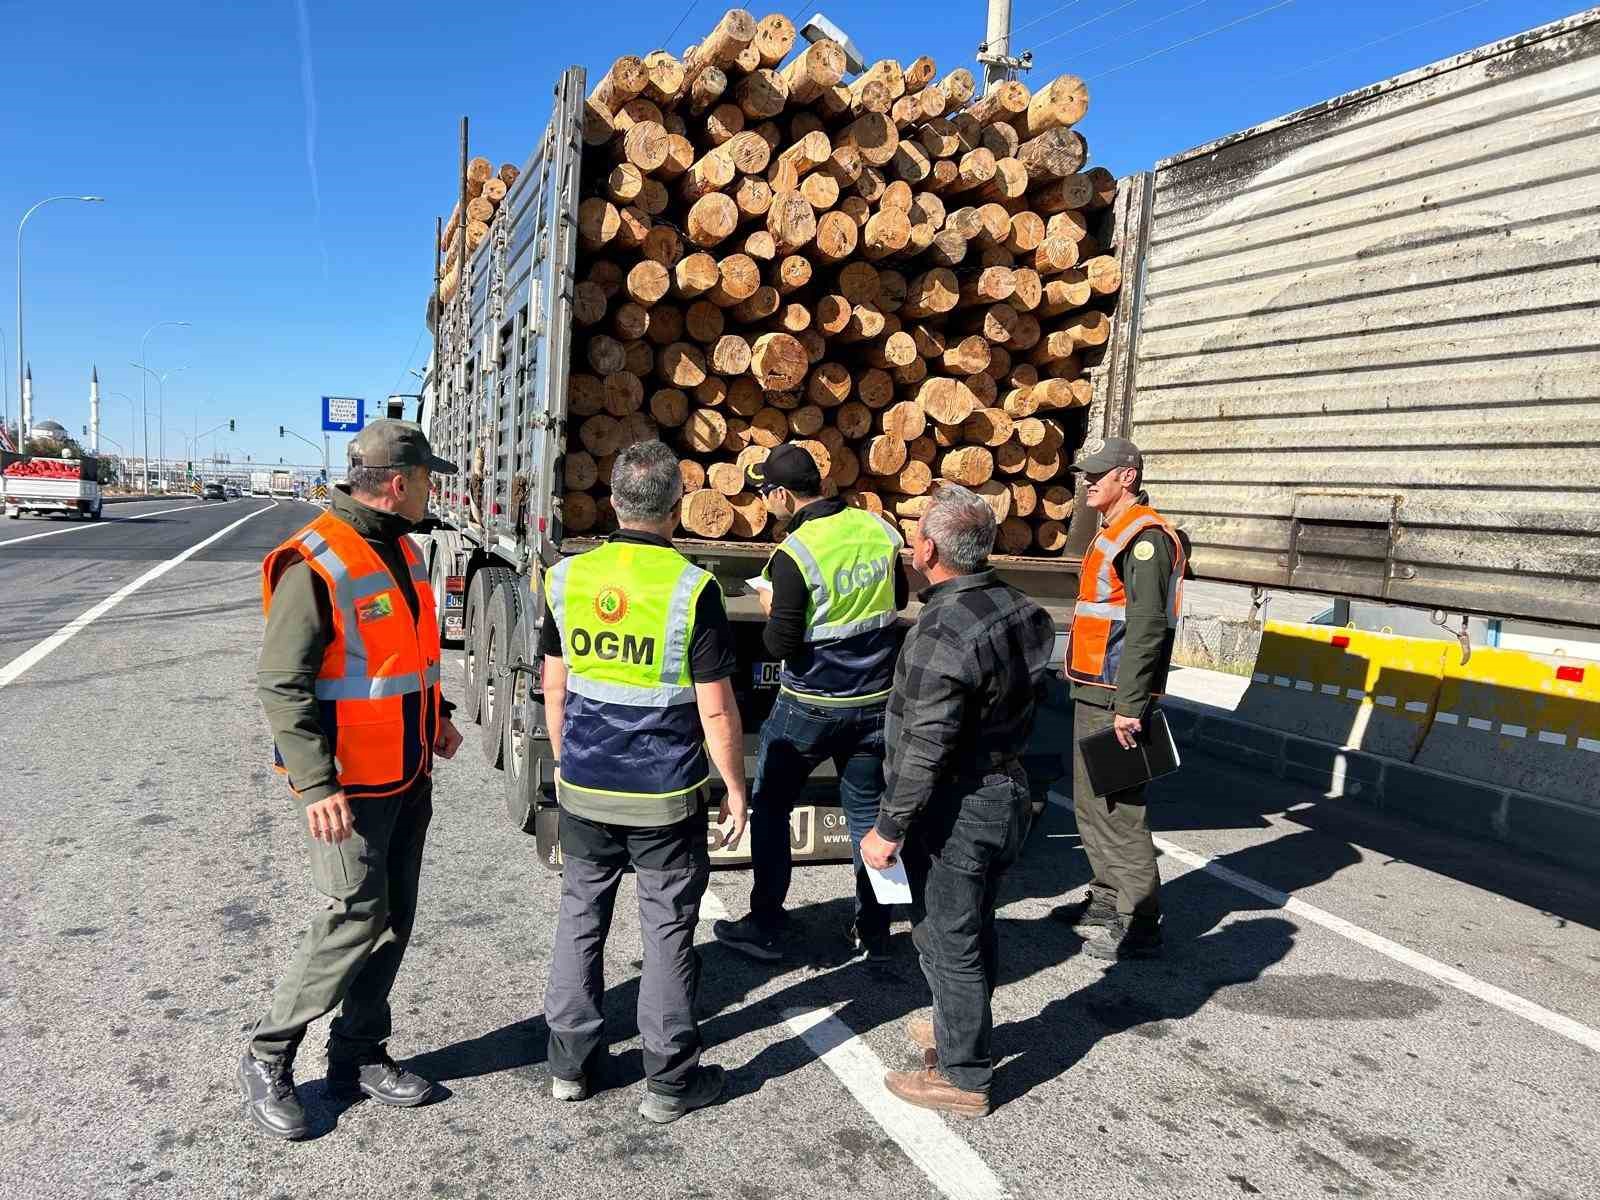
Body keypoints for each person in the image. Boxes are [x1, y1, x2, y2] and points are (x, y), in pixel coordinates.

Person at [241, 420, 464, 1141]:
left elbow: (407, 658)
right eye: (429, 477)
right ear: (399, 483)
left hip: (407, 769)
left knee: (393, 919)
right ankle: (269, 1052)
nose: (434, 489)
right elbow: (283, 684)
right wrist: (315, 785)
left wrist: (442, 713)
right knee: (354, 918)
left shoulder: (400, 548)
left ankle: (359, 1053)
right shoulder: (316, 559)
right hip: (349, 788)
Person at [539, 440, 749, 1125]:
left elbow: (554, 681)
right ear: (678, 506)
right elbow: (715, 706)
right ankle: (667, 1083)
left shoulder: (568, 577)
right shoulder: (694, 588)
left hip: (587, 781)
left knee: (581, 915)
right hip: (663, 794)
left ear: (613, 503)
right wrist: (736, 787)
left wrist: (565, 756)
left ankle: (570, 1066)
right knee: (666, 930)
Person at [862, 485, 1055, 1119]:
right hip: (1008, 793)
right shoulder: (1023, 610)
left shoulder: (940, 631)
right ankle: (959, 1031)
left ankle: (963, 1075)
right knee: (970, 924)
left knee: (949, 937)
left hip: (961, 804)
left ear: (930, 549)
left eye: (917, 534)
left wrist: (889, 827)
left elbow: (925, 744)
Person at [712, 444, 910, 964]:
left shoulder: (794, 555)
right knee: (868, 816)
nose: (765, 503)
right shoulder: (880, 530)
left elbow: (780, 645)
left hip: (810, 706)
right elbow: (900, 599)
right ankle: (875, 930)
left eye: (764, 494)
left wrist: (767, 602)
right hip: (874, 702)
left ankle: (767, 923)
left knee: (772, 807)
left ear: (781, 495)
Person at [1060, 436, 1186, 960]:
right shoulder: (1112, 530)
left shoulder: (1145, 538)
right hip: (1095, 688)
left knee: (1121, 809)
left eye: (1098, 474)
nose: (1088, 482)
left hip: (1117, 695)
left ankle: (1141, 921)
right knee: (1092, 804)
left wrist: (1131, 707)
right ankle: (1108, 898)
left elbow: (1148, 626)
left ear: (1126, 477)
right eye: (1087, 474)